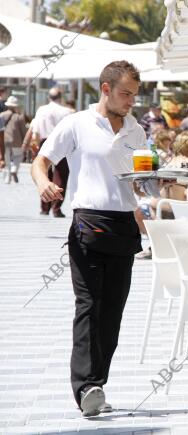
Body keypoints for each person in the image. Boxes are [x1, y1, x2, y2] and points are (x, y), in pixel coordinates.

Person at [31, 60, 145, 417]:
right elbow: (41, 161)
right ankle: (86, 386)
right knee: (89, 306)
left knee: (113, 312)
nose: (130, 101)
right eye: (125, 93)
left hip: (124, 225)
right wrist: (44, 183)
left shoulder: (135, 130)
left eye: (134, 95)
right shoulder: (77, 124)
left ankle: (97, 381)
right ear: (106, 89)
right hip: (88, 224)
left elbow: (137, 181)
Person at [32, 88, 73, 217]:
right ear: (61, 97)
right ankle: (56, 208)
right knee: (61, 174)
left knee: (44, 174)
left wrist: (35, 144)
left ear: (49, 97)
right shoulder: (68, 111)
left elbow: (36, 129)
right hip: (62, 142)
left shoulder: (42, 110)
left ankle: (45, 207)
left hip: (45, 140)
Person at [0, 96, 27, 184]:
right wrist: (25, 141)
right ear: (16, 106)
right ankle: (14, 169)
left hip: (4, 140)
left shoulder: (2, 115)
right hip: (17, 141)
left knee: (7, 158)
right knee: (18, 156)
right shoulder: (19, 117)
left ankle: (7, 178)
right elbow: (23, 130)